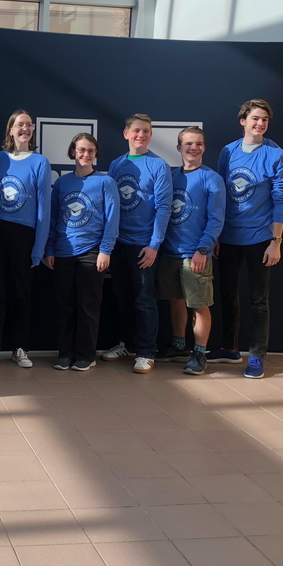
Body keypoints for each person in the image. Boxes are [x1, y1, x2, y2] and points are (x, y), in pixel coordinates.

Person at [207, 99, 283, 379]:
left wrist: (275, 241)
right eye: (255, 118)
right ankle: (229, 349)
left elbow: (281, 198)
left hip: (260, 238)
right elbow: (219, 194)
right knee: (227, 295)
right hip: (228, 235)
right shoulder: (228, 152)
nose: (260, 124)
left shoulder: (276, 155)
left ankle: (256, 356)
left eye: (264, 119)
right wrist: (216, 234)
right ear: (243, 121)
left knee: (259, 300)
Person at [0, 110, 51, 371]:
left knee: (21, 294)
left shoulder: (40, 161)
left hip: (24, 235)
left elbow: (43, 208)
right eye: (20, 125)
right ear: (10, 129)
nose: (25, 129)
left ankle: (20, 348)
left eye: (29, 125)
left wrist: (38, 248)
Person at [103, 114, 173, 373]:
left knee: (145, 299)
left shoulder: (158, 165)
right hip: (118, 243)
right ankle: (126, 344)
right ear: (126, 134)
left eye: (145, 131)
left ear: (150, 136)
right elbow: (109, 206)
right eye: (136, 131)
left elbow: (164, 207)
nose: (141, 135)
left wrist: (155, 244)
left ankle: (146, 352)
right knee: (122, 297)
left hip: (144, 245)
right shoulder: (116, 165)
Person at [45, 133, 119, 371]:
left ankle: (86, 355)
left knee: (88, 306)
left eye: (90, 151)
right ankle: (65, 354)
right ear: (72, 152)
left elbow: (112, 219)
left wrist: (105, 250)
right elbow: (53, 217)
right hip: (63, 252)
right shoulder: (63, 183)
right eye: (81, 150)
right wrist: (50, 248)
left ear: (96, 155)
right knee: (65, 306)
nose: (85, 154)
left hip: (92, 252)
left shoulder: (105, 182)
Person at [158, 127, 225, 376]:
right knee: (175, 301)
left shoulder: (212, 178)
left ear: (204, 148)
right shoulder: (171, 177)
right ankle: (178, 346)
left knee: (199, 305)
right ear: (179, 148)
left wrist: (203, 249)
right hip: (169, 252)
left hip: (195, 253)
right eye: (188, 144)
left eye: (198, 144)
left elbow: (216, 219)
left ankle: (199, 354)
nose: (193, 148)